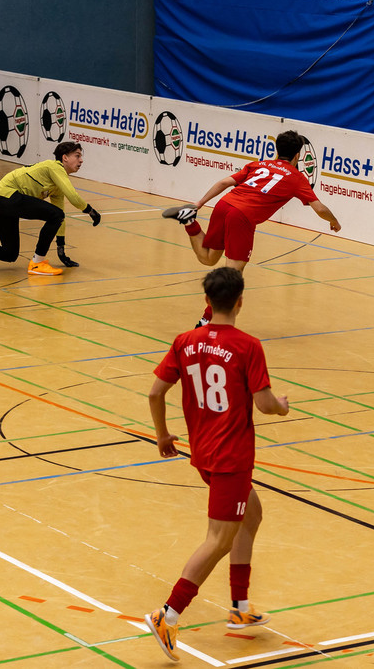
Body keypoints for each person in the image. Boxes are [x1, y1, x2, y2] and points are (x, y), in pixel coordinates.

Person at [144, 266, 289, 662]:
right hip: (231, 456)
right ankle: (167, 614)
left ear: (207, 302)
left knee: (251, 514)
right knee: (219, 539)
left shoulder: (185, 341)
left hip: (203, 451)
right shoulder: (247, 346)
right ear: (240, 301)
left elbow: (155, 393)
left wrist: (162, 435)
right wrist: (281, 407)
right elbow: (265, 403)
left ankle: (240, 608)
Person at [162, 129, 340, 325]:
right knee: (233, 275)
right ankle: (207, 319)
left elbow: (224, 182)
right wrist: (334, 221)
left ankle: (189, 222)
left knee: (208, 258)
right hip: (242, 216)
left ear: (277, 151)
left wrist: (199, 204)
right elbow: (319, 208)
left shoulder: (258, 164)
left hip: (224, 205)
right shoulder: (296, 178)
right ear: (297, 156)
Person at [0, 141, 101, 276]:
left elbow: (60, 217)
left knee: (9, 253)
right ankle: (37, 263)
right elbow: (73, 197)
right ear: (65, 157)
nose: (81, 160)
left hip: (0, 200)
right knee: (55, 215)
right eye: (77, 156)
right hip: (7, 196)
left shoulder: (57, 186)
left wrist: (61, 248)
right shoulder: (54, 166)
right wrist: (90, 211)